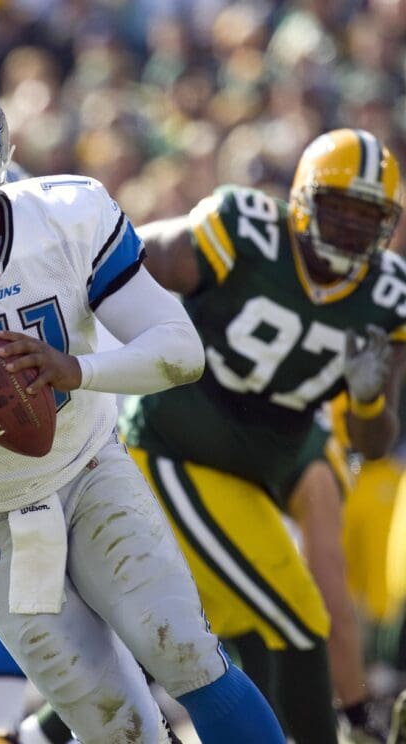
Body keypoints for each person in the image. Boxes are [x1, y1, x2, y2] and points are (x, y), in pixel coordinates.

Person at [0, 73, 285, 744]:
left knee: (186, 653)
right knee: (109, 720)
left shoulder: (67, 216)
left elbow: (180, 349)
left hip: (89, 468)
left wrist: (77, 370)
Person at [118, 128, 406, 744]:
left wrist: (367, 394)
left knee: (242, 633)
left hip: (254, 471)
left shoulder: (387, 296)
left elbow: (372, 444)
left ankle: (37, 733)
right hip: (176, 445)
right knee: (299, 618)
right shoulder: (246, 229)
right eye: (340, 210)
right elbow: (129, 261)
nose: (353, 230)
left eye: (368, 217)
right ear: (302, 200)